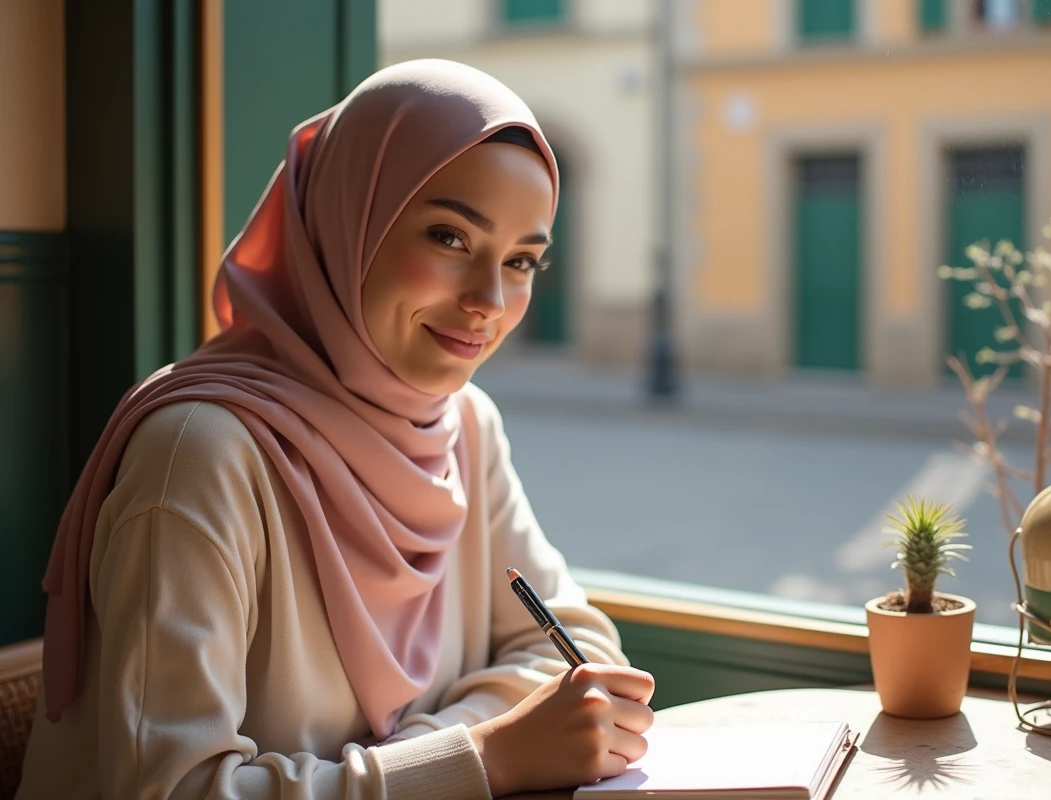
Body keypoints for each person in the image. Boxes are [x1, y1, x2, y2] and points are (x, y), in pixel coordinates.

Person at [17, 59, 655, 800]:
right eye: (450, 237)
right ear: (348, 223)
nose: (489, 300)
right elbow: (175, 789)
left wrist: (436, 754)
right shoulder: (198, 455)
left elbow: (575, 654)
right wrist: (481, 757)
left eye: (521, 261)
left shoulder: (464, 430)